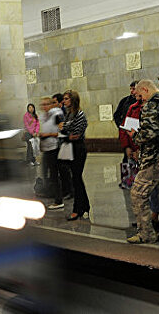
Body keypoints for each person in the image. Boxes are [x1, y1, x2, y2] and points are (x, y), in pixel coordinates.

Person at [126, 79, 159, 244]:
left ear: (145, 89)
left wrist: (134, 135)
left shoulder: (151, 105)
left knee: (137, 193)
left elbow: (150, 134)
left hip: (154, 157)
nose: (141, 99)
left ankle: (146, 234)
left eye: (140, 95)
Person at [59, 90, 90, 220]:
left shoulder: (79, 114)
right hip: (69, 148)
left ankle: (77, 209)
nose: (64, 101)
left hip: (78, 149)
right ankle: (85, 206)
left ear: (73, 100)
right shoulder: (68, 114)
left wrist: (64, 128)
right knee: (76, 179)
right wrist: (65, 131)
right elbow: (64, 131)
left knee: (76, 178)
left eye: (66, 99)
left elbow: (75, 134)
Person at [39, 97, 64, 210]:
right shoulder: (42, 117)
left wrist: (48, 134)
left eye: (46, 104)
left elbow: (62, 130)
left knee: (54, 174)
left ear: (51, 105)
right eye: (42, 105)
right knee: (45, 173)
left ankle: (59, 200)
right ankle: (51, 194)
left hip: (54, 148)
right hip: (46, 149)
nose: (44, 107)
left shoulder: (56, 115)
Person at [52, 93, 72, 199]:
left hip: (66, 143)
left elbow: (65, 128)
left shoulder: (64, 112)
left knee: (66, 169)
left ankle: (69, 191)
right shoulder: (55, 114)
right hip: (60, 143)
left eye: (54, 102)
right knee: (62, 169)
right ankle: (66, 190)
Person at [114, 81, 139, 164]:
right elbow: (117, 115)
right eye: (130, 89)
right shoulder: (125, 101)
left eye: (134, 89)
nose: (132, 91)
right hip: (126, 134)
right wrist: (121, 125)